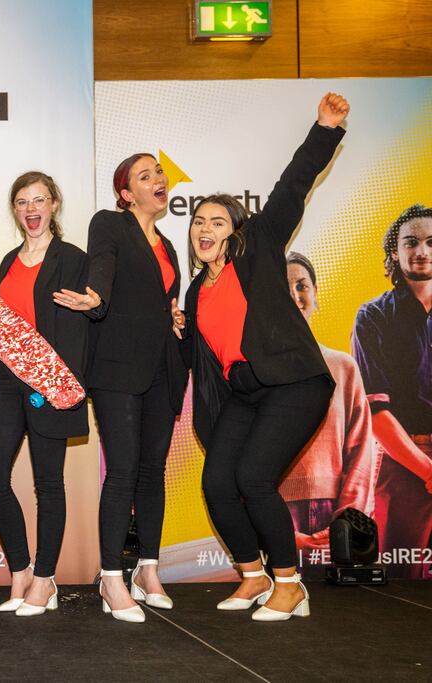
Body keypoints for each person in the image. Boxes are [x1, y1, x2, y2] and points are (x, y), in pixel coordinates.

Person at [182, 93, 350, 621]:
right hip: (244, 393)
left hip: (293, 383)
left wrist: (324, 129)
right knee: (217, 482)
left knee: (254, 478)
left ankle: (289, 582)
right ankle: (253, 576)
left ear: (235, 229)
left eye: (216, 222)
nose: (205, 230)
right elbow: (202, 357)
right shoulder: (194, 292)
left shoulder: (258, 251)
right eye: (198, 223)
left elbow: (292, 185)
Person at [0, 172, 89, 617]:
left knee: (48, 485)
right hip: (5, 381)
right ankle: (20, 571)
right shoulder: (6, 261)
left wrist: (62, 383)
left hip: (49, 382)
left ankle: (45, 580)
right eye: (22, 202)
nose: (30, 209)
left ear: (55, 204)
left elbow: (81, 325)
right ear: (15, 210)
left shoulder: (72, 259)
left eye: (39, 199)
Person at [81, 150, 188, 622]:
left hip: (164, 367)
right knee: (122, 471)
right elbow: (102, 267)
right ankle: (110, 577)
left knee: (152, 472)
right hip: (118, 369)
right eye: (146, 175)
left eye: (159, 172)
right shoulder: (110, 223)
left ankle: (148, 568)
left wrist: (173, 313)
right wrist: (95, 295)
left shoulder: (165, 242)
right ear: (127, 194)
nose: (158, 179)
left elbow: (158, 297)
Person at [282, 252, 377, 578]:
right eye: (285, 286)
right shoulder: (253, 369)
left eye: (302, 285)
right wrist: (273, 526)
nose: (295, 295)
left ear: (316, 294)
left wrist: (347, 517)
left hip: (334, 514)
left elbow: (362, 448)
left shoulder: (343, 367)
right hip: (275, 512)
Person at [352, 204, 432, 579]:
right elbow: (376, 412)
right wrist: (427, 469)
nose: (421, 251)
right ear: (394, 253)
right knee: (401, 580)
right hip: (404, 462)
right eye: (411, 242)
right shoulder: (373, 316)